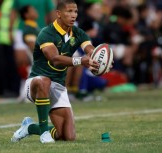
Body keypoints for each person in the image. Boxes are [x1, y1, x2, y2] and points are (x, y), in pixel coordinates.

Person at [11, 0, 107, 143]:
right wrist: (80, 61)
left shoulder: (78, 33)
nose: (73, 15)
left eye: (75, 12)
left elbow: (90, 49)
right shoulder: (46, 32)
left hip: (59, 86)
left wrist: (99, 61)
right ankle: (44, 132)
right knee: (45, 81)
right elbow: (55, 59)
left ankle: (29, 128)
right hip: (36, 83)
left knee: (67, 136)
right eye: (69, 11)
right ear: (58, 14)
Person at [17, 5, 40, 102]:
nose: (35, 11)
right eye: (32, 10)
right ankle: (26, 95)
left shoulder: (34, 26)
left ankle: (23, 95)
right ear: (26, 15)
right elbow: (33, 47)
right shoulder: (29, 29)